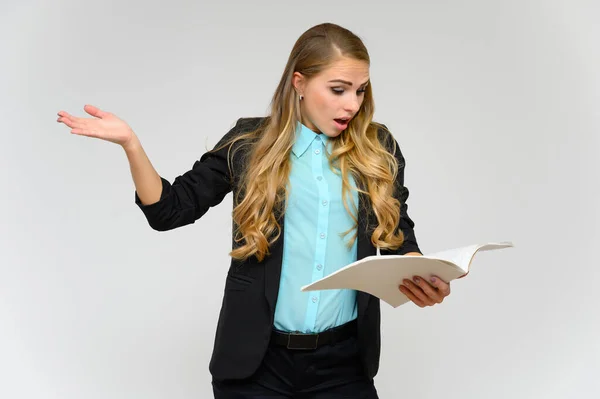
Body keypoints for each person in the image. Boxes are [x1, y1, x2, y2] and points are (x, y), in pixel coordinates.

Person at [57, 22, 451, 399]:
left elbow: (399, 233)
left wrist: (419, 272)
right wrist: (131, 144)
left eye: (360, 91)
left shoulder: (377, 146)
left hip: (344, 365)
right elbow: (169, 211)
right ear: (299, 82)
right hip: (256, 369)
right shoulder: (249, 144)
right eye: (338, 89)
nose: (352, 104)